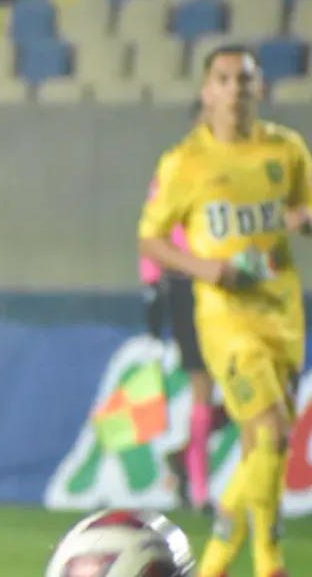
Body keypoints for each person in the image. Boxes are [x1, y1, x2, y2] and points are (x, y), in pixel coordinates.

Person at [139, 45, 309, 577]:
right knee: (273, 431)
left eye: (245, 79)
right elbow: (150, 240)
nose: (235, 88)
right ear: (207, 91)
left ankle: (228, 563)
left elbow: (304, 206)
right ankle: (263, 562)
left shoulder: (287, 151)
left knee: (265, 445)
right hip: (224, 320)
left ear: (261, 89)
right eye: (223, 78)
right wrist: (203, 268)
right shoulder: (184, 162)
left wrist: (302, 218)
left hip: (281, 313)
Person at [139, 101, 227, 514]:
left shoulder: (244, 167)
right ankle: (201, 491)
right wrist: (152, 283)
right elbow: (153, 227)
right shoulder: (175, 167)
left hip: (233, 287)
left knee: (269, 388)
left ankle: (183, 455)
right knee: (202, 385)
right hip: (187, 286)